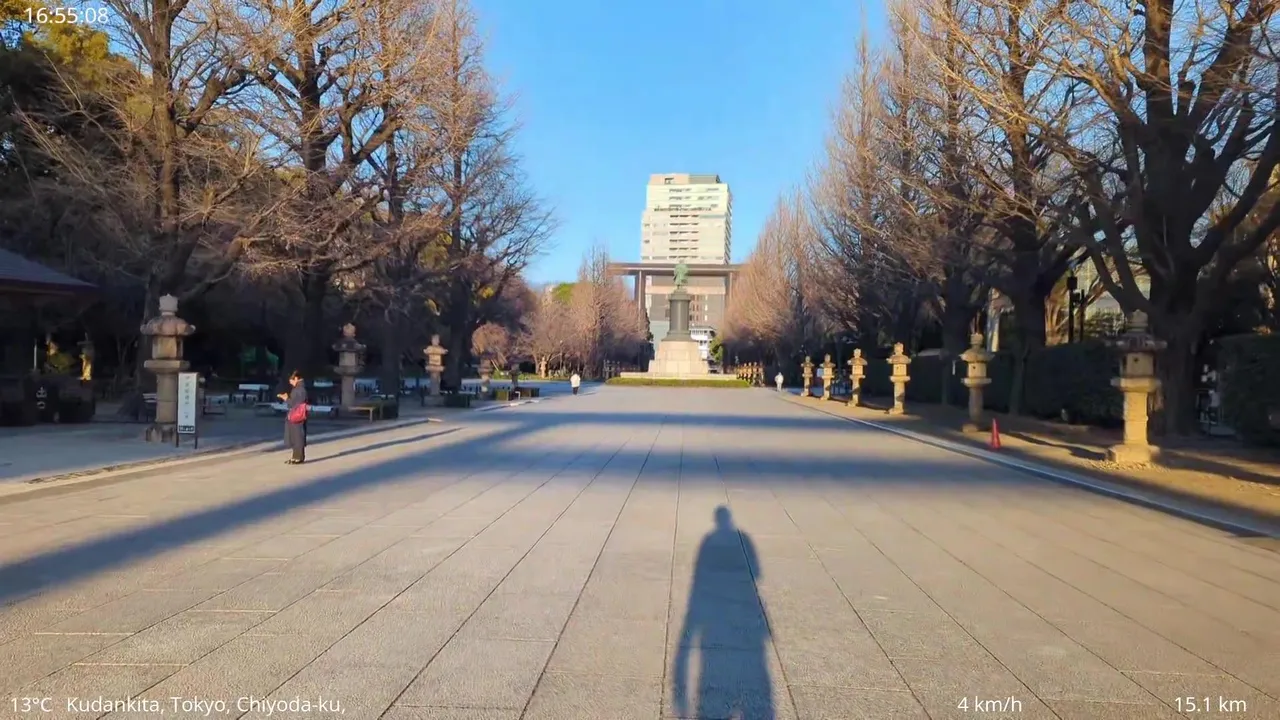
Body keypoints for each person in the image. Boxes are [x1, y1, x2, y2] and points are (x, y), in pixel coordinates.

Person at [278, 371, 308, 464]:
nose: (291, 383)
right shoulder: (299, 388)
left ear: (296, 379)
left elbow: (294, 403)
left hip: (297, 416)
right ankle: (295, 456)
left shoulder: (300, 389)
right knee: (295, 436)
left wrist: (286, 399)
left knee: (297, 436)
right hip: (296, 415)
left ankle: (298, 457)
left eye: (291, 381)